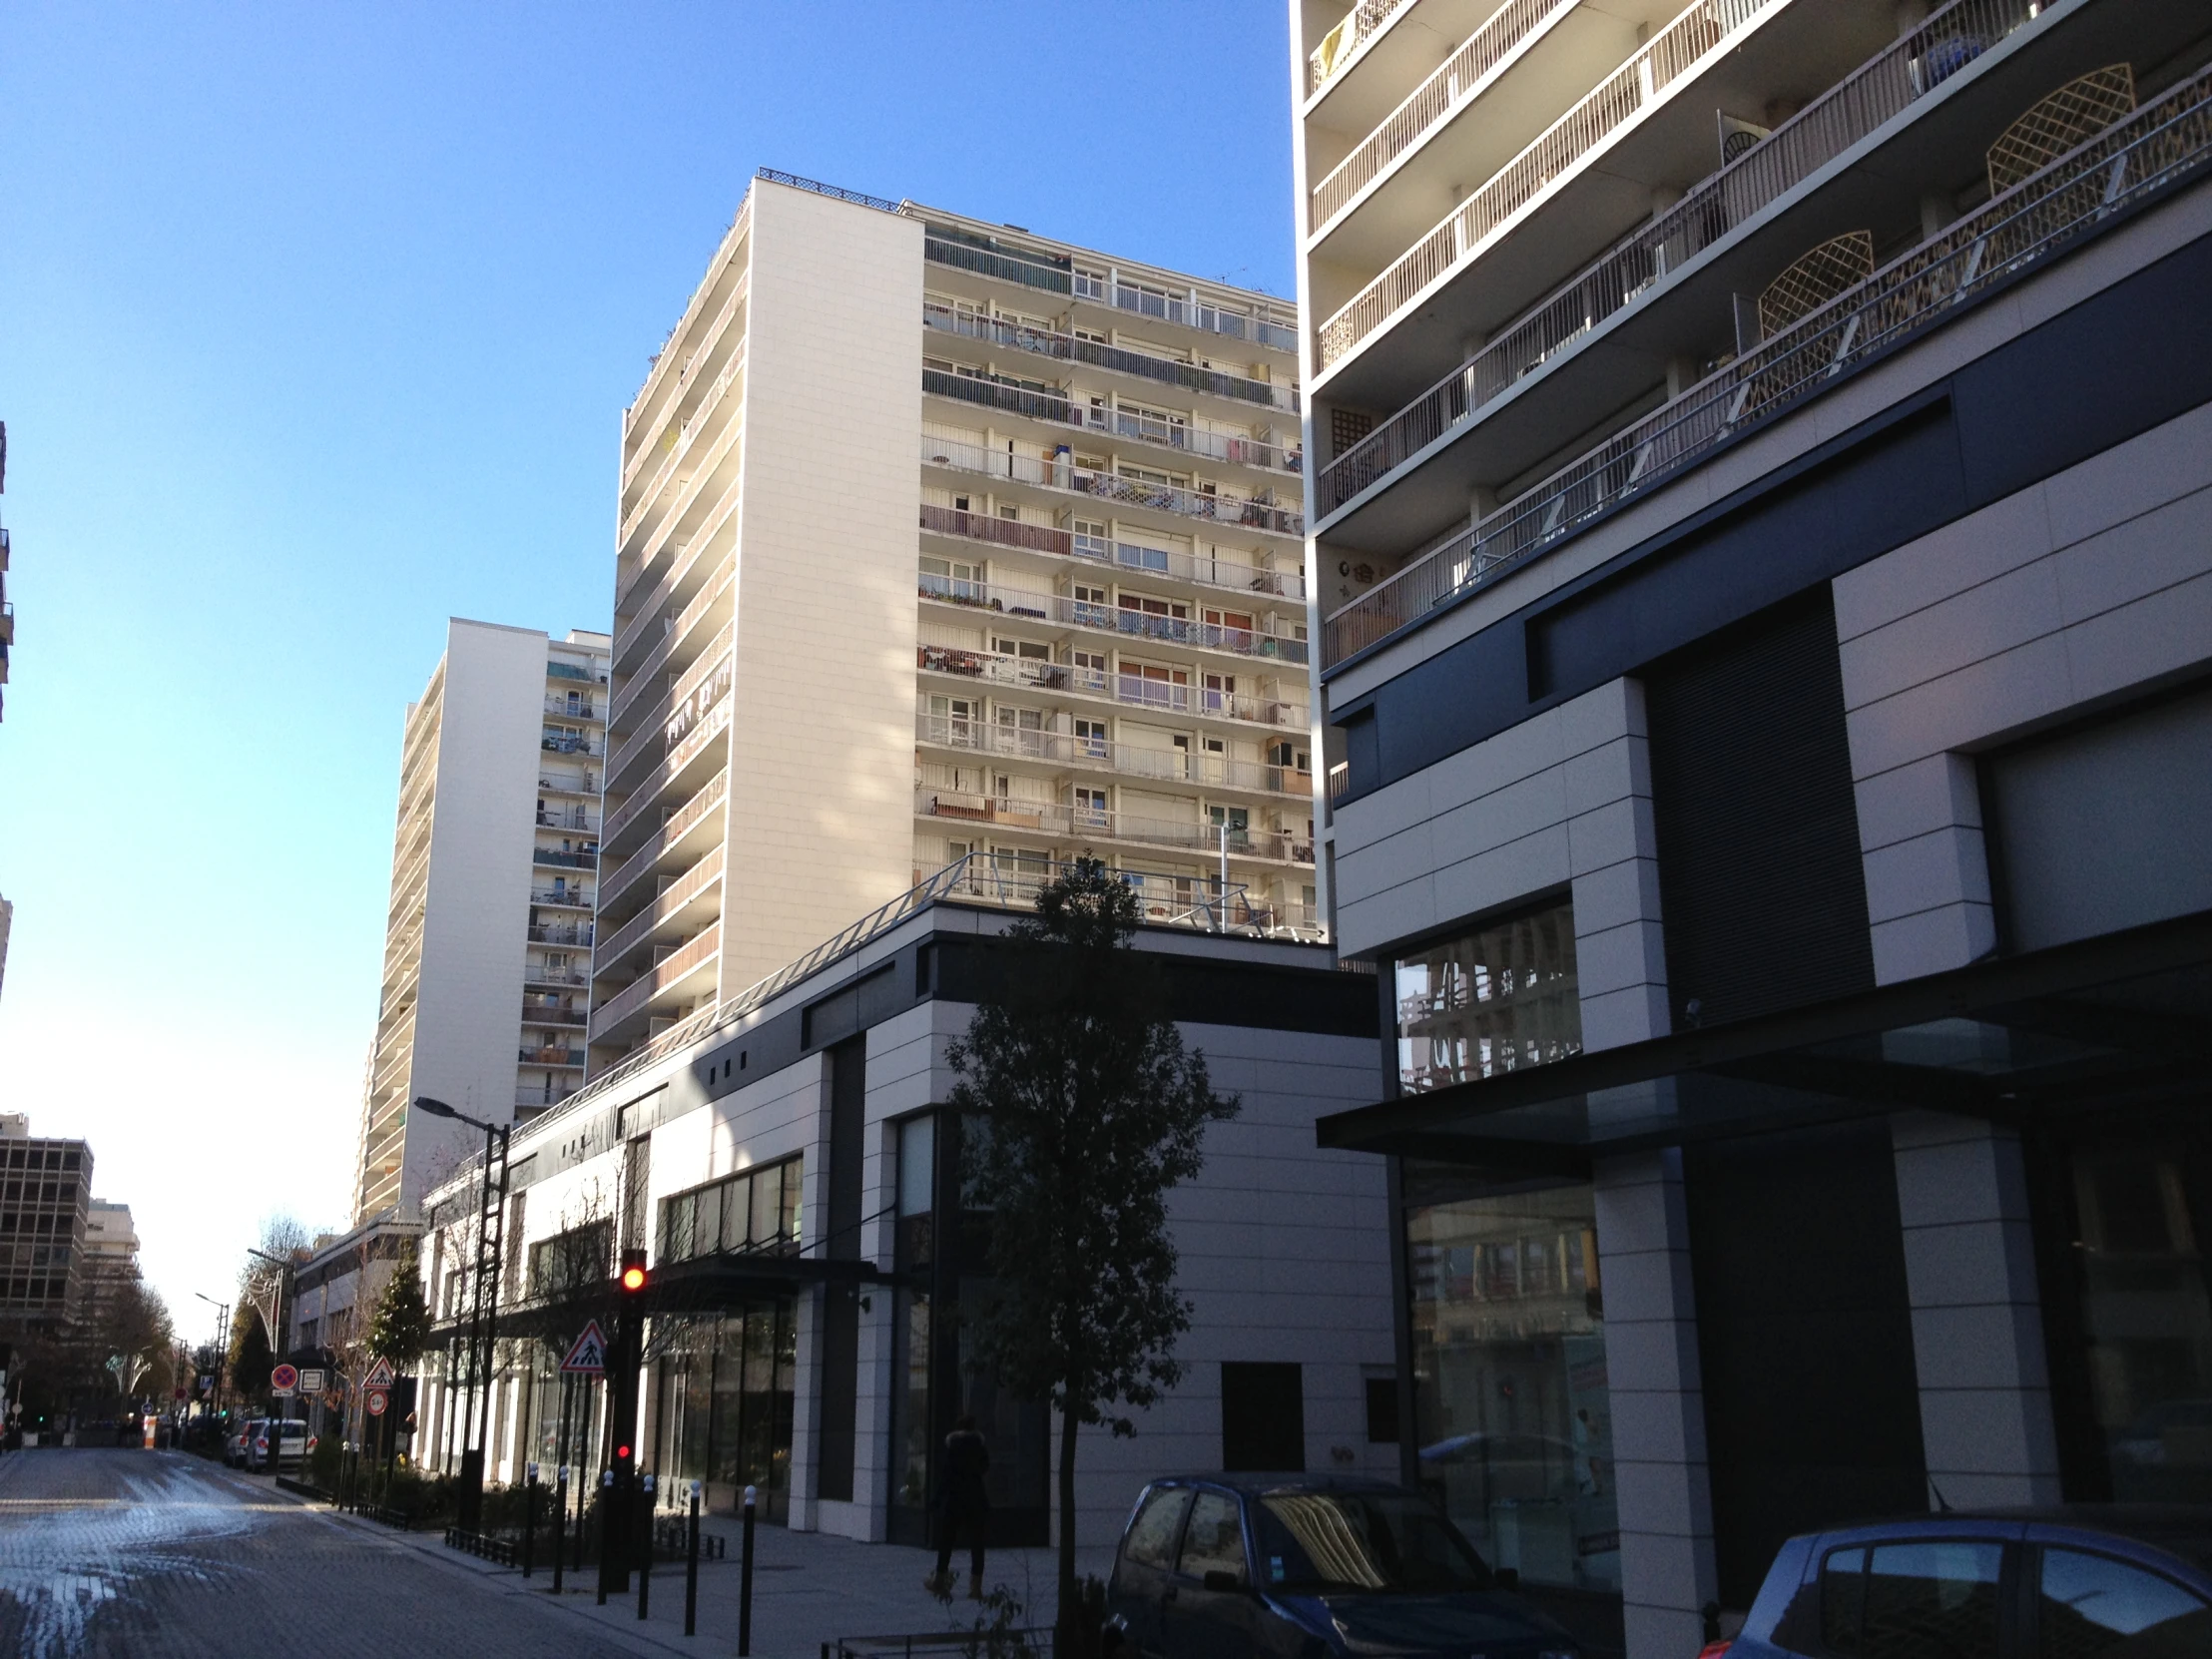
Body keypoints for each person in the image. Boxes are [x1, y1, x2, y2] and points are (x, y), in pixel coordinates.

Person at [924, 1414, 991, 1600]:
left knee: (947, 1542)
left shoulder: (953, 1447)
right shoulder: (980, 1447)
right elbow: (984, 1468)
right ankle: (976, 1588)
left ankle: (939, 1581)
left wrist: (936, 1501)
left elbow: (946, 1477)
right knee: (977, 1544)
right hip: (976, 1499)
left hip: (955, 1500)